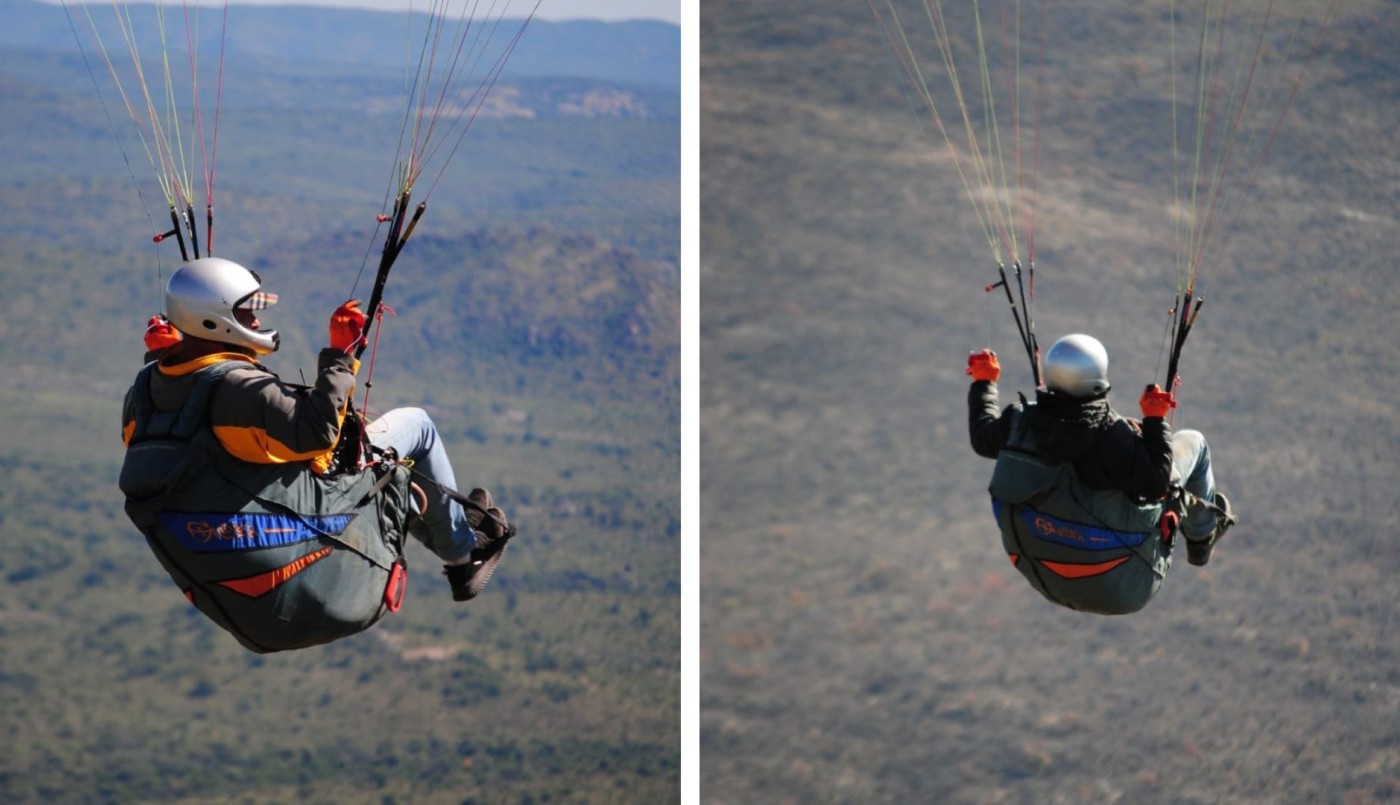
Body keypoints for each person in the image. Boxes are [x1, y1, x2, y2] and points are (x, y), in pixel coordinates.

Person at [121, 257, 513, 651]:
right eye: (244, 314)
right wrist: (340, 354)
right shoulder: (240, 388)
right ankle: (464, 557)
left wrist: (174, 354)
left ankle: (432, 519)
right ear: (210, 321)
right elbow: (316, 433)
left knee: (391, 470)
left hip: (238, 587)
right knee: (417, 426)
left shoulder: (141, 395)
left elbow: (189, 410)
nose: (255, 323)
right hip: (306, 540)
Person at [966, 333, 1233, 614]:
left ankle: (1200, 534)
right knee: (1194, 442)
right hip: (1124, 584)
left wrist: (984, 382)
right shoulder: (1112, 438)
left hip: (1049, 575)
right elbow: (1157, 483)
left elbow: (983, 438)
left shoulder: (1020, 423)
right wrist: (1154, 420)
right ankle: (1202, 538)